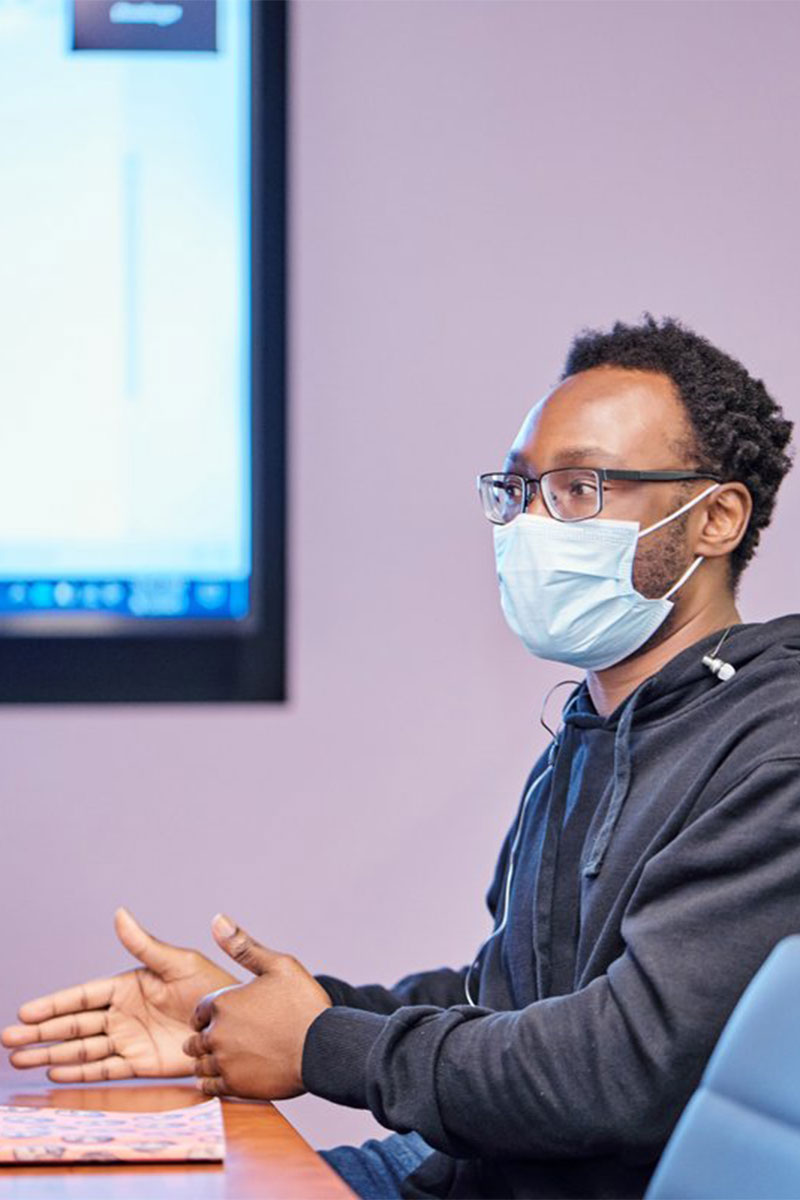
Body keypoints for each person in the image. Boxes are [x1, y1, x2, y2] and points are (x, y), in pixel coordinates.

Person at [3, 314, 799, 1200]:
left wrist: (317, 1045)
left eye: (579, 487)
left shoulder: (776, 745)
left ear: (716, 517)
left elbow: (614, 1069)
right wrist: (234, 1017)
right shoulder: (593, 731)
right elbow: (501, 1007)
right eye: (521, 487)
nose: (532, 521)